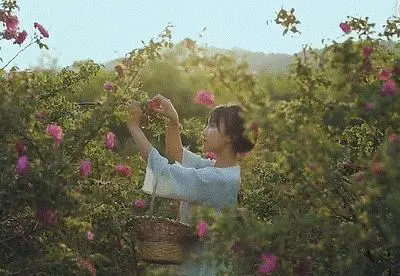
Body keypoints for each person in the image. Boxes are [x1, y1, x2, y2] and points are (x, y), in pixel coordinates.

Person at [126, 94, 254, 275]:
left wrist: (133, 126)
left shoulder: (216, 179)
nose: (204, 132)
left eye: (211, 126)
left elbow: (164, 171)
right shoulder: (225, 170)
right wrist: (173, 120)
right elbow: (177, 153)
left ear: (230, 137)